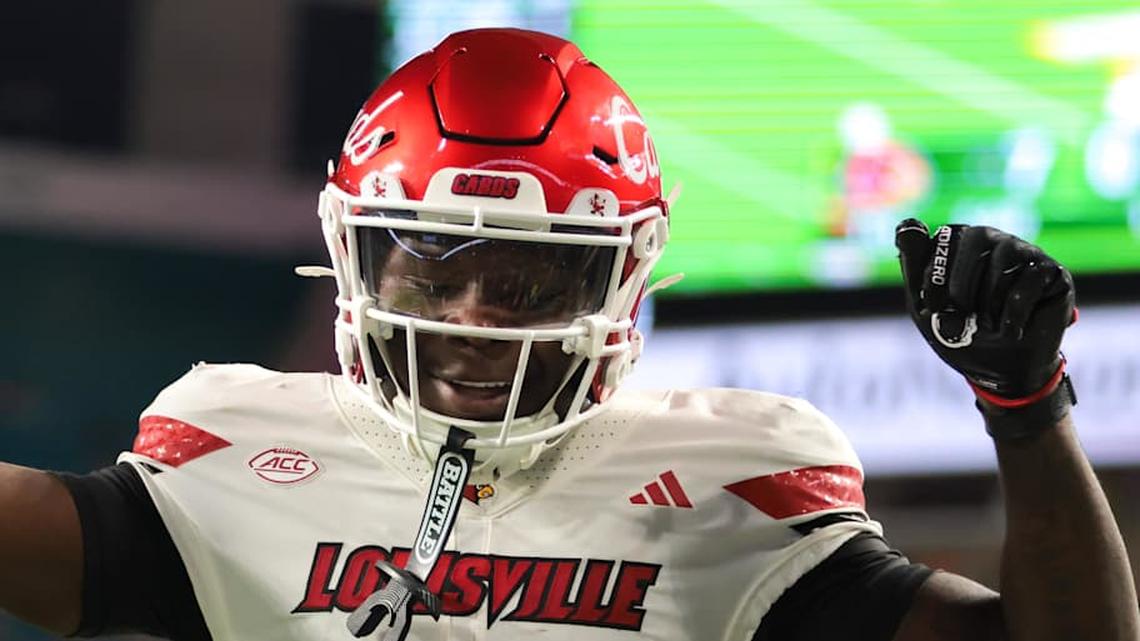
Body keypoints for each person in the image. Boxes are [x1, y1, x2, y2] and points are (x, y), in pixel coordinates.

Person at [1, 27, 1136, 641]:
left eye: (533, 278)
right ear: (358, 254)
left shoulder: (737, 482)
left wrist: (1028, 411)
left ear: (622, 272)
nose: (479, 314)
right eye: (435, 262)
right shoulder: (232, 446)